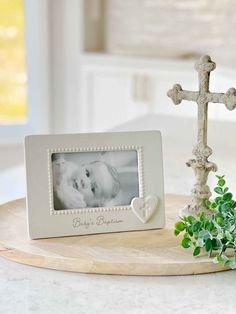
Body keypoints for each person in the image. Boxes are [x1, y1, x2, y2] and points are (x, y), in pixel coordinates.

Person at [52, 154, 120, 210]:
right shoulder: (70, 167)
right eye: (87, 174)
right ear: (83, 165)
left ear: (91, 204)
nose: (84, 182)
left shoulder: (77, 202)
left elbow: (60, 199)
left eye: (92, 189)